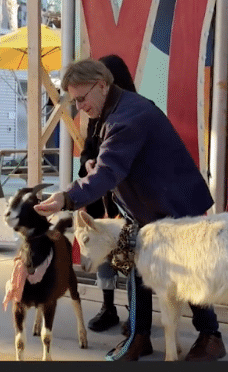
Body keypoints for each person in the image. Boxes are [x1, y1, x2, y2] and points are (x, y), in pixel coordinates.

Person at [35, 58, 227, 362]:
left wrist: (66, 198)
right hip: (155, 206)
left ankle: (198, 336)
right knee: (155, 270)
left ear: (102, 84)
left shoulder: (128, 116)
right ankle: (148, 337)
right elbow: (109, 164)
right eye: (75, 101)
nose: (80, 107)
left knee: (181, 271)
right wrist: (90, 167)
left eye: (82, 98)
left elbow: (109, 170)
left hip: (171, 207)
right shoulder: (115, 109)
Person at [81, 55, 137, 333]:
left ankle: (136, 314)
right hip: (102, 202)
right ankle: (107, 307)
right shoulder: (97, 115)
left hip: (129, 203)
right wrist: (88, 163)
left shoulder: (135, 111)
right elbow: (87, 150)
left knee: (132, 259)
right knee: (103, 257)